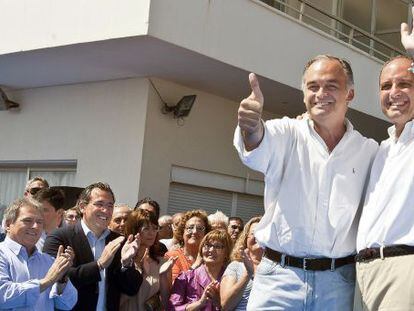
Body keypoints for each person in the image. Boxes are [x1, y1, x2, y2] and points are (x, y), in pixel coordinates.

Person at [234, 56, 378, 310]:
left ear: (350, 94)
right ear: (303, 95)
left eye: (331, 86)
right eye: (313, 87)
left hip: (338, 284)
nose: (321, 94)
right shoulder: (287, 132)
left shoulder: (369, 151)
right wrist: (251, 126)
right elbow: (257, 142)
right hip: (278, 281)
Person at [355, 13, 414, 310]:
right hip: (362, 273)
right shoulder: (380, 149)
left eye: (404, 83)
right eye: (386, 86)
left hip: (404, 270)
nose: (394, 93)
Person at [43, 182, 143, 311]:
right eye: (99, 204)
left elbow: (131, 289)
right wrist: (99, 265)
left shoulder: (118, 241)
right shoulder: (60, 238)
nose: (106, 211)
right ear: (83, 207)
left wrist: (126, 264)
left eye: (110, 205)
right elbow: (55, 279)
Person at [0, 197, 77, 310]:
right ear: (8, 224)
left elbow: (67, 304)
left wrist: (61, 278)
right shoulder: (2, 254)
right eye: (28, 220)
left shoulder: (49, 261)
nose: (35, 226)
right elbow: (3, 296)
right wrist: (46, 282)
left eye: (39, 222)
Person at [119, 209, 175, 310]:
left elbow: (166, 303)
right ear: (134, 230)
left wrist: (162, 275)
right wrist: (129, 264)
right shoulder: (122, 259)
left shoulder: (163, 262)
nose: (152, 233)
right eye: (146, 228)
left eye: (155, 228)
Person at [168, 230, 232, 311]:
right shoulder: (186, 277)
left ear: (226, 252)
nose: (211, 250)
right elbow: (172, 308)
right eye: (207, 245)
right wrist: (200, 303)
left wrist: (220, 302)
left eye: (218, 246)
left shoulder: (232, 278)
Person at [220, 216, 262, 311]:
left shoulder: (277, 267)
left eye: (262, 233)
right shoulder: (235, 266)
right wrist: (248, 274)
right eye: (253, 233)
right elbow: (226, 306)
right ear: (246, 238)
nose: (257, 237)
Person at [165, 210, 210, 284]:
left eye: (200, 228)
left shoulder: (210, 257)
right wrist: (195, 265)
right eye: (190, 227)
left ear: (206, 234)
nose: (195, 231)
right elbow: (174, 287)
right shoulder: (172, 256)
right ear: (182, 232)